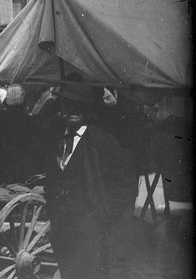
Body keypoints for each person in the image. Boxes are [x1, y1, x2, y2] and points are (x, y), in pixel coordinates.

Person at [42, 82, 137, 279]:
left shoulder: (103, 141)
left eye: (79, 105)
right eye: (67, 104)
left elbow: (125, 185)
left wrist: (101, 216)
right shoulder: (56, 138)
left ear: (88, 108)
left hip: (89, 228)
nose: (72, 110)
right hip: (62, 227)